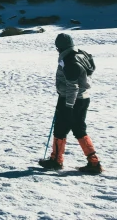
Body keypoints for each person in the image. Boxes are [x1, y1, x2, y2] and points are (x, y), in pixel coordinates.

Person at [39, 33, 103, 174]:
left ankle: (57, 161)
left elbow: (72, 86)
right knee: (77, 128)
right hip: (83, 98)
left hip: (72, 100)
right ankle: (93, 162)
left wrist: (68, 106)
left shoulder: (70, 60)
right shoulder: (81, 54)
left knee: (62, 128)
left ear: (60, 47)